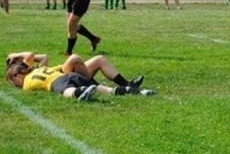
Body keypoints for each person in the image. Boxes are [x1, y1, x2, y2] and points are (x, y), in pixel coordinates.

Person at [5, 51, 153, 101]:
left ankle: (127, 85)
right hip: (67, 74)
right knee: (74, 58)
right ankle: (90, 86)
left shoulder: (35, 70)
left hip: (65, 75)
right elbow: (31, 55)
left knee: (99, 59)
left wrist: (15, 56)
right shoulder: (33, 73)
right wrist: (16, 56)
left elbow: (40, 56)